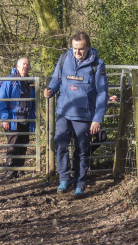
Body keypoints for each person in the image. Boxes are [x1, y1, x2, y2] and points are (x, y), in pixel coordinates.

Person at [43, 32, 108, 198]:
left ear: (87, 47)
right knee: (60, 145)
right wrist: (50, 89)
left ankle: (80, 183)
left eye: (80, 49)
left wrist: (97, 119)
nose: (77, 52)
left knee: (81, 150)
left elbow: (102, 93)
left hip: (84, 116)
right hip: (63, 112)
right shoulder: (64, 59)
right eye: (74, 49)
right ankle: (64, 179)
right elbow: (56, 80)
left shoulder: (97, 64)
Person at [0, 57, 36, 180]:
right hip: (13, 118)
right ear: (17, 66)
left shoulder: (30, 82)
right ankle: (9, 171)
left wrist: (33, 118)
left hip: (26, 117)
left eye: (28, 64)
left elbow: (33, 102)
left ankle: (20, 169)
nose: (26, 66)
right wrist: (5, 118)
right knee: (13, 145)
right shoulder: (10, 81)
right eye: (24, 64)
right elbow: (2, 101)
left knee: (23, 144)